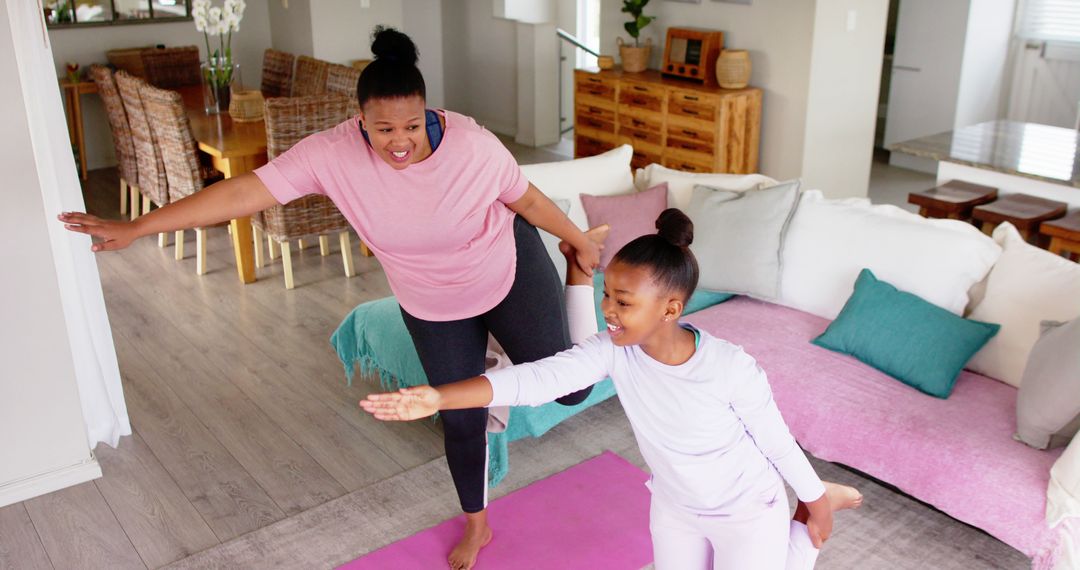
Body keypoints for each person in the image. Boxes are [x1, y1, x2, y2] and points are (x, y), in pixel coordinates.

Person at [58, 27, 602, 570]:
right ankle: (477, 527)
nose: (400, 141)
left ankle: (572, 280)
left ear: (429, 112)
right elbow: (242, 192)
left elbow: (526, 198)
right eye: (384, 128)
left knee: (571, 391)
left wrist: (578, 243)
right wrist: (138, 226)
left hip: (504, 265)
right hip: (433, 300)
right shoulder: (332, 154)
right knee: (461, 418)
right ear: (359, 119)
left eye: (412, 125)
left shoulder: (472, 146)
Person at [361, 209, 863, 569]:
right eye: (606, 295)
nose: (609, 310)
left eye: (622, 301)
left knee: (804, 534)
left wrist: (815, 498)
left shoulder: (731, 368)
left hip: (749, 509)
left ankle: (805, 529)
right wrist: (440, 395)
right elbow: (539, 378)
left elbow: (776, 441)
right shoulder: (613, 350)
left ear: (669, 310)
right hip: (677, 507)